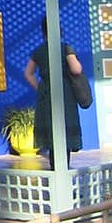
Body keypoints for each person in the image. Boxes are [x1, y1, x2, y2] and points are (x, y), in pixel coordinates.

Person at [23, 17, 83, 169]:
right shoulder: (65, 48)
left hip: (46, 94)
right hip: (65, 93)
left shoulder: (39, 50)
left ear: (43, 32)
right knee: (65, 132)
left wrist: (40, 87)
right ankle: (64, 169)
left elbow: (28, 73)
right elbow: (76, 69)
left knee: (51, 135)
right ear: (60, 30)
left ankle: (55, 168)